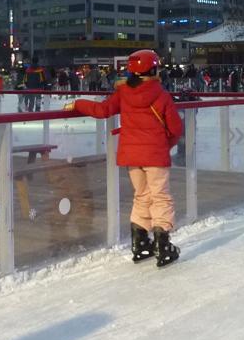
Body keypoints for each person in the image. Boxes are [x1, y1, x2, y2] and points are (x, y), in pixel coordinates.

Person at [65, 49, 183, 267]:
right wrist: (165, 145)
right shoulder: (162, 95)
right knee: (160, 197)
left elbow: (102, 110)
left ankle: (140, 244)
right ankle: (163, 246)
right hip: (155, 154)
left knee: (142, 195)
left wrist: (78, 103)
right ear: (153, 68)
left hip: (131, 154)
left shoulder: (123, 93)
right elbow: (176, 127)